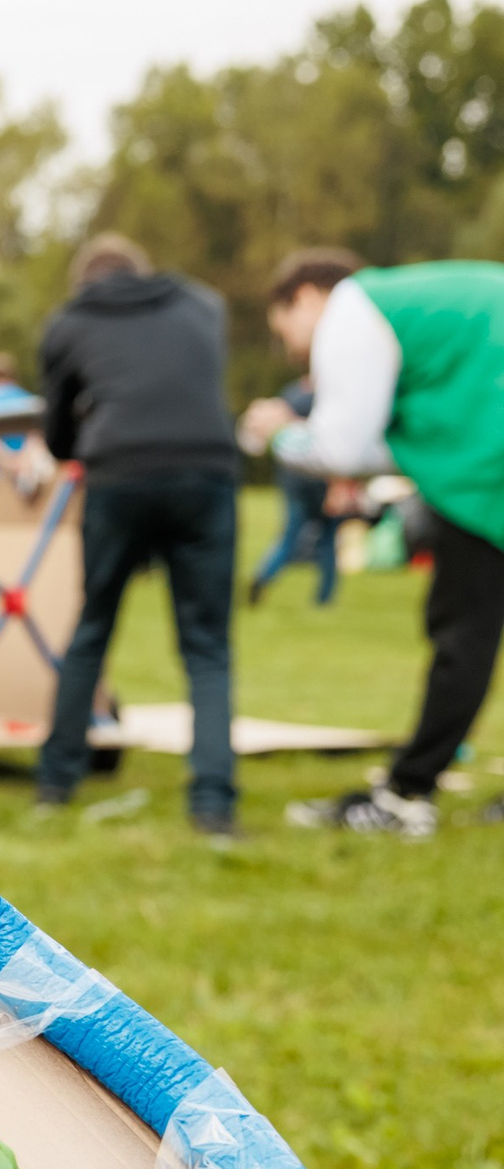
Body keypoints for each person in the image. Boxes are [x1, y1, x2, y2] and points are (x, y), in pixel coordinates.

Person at [248, 250, 504, 837]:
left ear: (308, 296)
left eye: (282, 326)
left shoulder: (351, 311)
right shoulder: (411, 305)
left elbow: (342, 448)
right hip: (484, 434)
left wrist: (279, 432)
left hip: (487, 459)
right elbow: (393, 444)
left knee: (462, 626)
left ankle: (405, 797)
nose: (290, 347)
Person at [30, 234, 242, 835]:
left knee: (93, 626)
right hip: (207, 471)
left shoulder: (68, 322)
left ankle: (54, 782)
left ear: (83, 282)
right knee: (207, 646)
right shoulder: (203, 305)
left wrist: (84, 450)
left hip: (118, 473)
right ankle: (213, 804)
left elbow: (56, 430)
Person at [243, 376, 339, 608]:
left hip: (293, 481)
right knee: (327, 540)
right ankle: (324, 600)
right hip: (321, 479)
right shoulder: (327, 398)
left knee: (289, 537)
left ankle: (263, 575)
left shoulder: (291, 394)